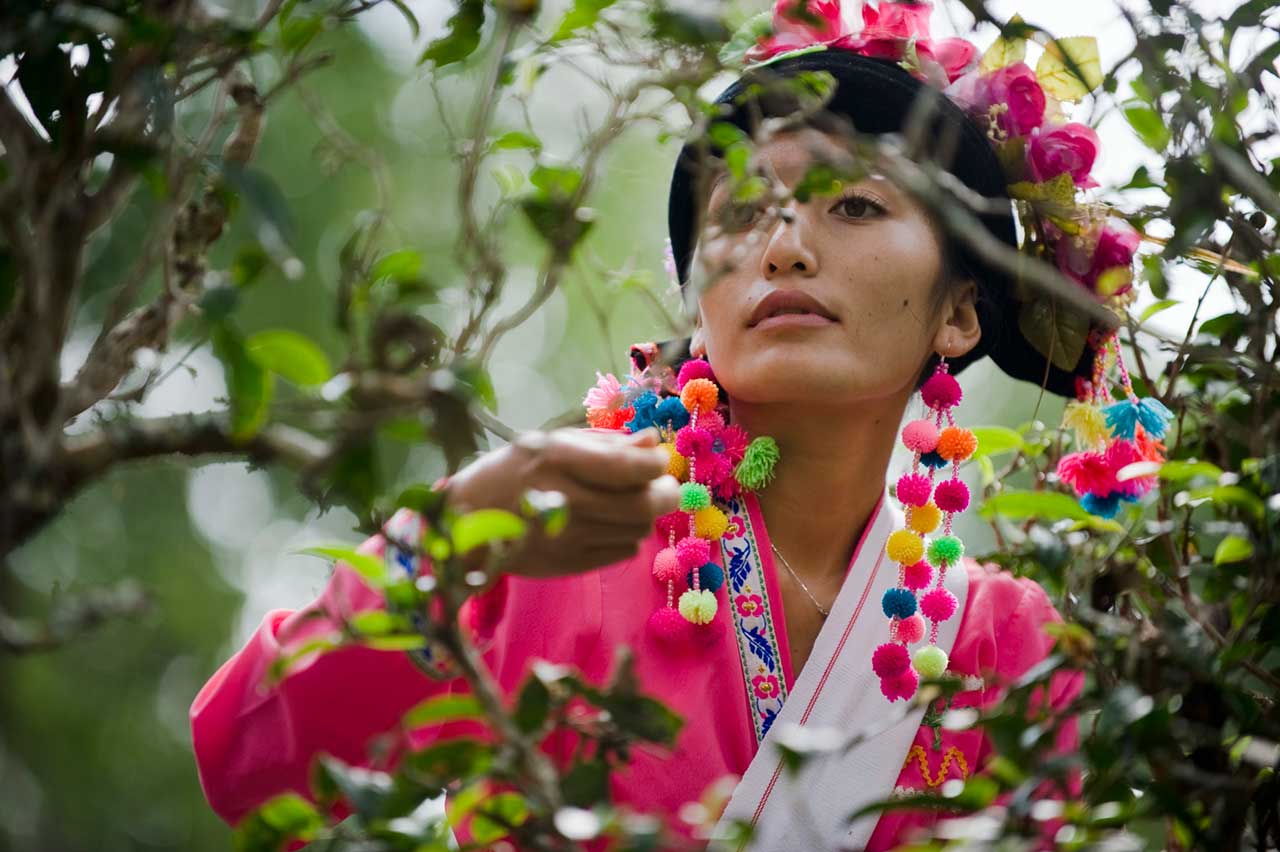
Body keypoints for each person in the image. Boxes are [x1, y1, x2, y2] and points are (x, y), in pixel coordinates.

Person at [190, 2, 1140, 848]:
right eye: (743, 215)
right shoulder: (547, 529)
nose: (785, 247)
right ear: (702, 303)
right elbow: (247, 760)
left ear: (961, 312)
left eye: (854, 204)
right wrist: (452, 546)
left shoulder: (1011, 651)